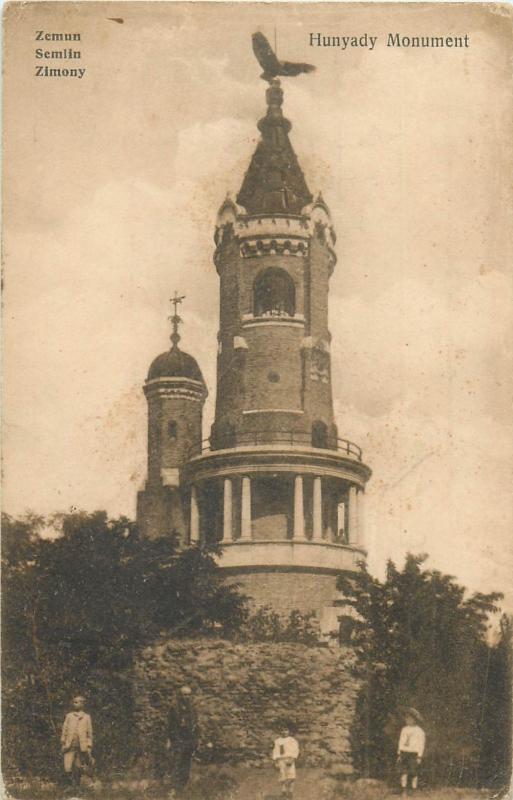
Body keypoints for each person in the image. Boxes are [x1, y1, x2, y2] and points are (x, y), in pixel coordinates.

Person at [166, 686, 198, 796]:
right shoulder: (174, 708)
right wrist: (169, 740)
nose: (187, 697)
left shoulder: (192, 709)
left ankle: (183, 788)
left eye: (189, 695)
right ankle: (173, 789)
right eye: (184, 695)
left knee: (186, 764)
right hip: (178, 739)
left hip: (189, 739)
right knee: (177, 763)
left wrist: (195, 740)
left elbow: (196, 724)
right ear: (180, 695)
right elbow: (170, 725)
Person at [60, 695, 93, 789]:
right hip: (69, 746)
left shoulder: (87, 717)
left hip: (81, 747)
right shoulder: (69, 716)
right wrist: (63, 742)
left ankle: (77, 787)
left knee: (78, 767)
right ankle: (69, 785)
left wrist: (89, 746)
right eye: (74, 702)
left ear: (82, 704)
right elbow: (64, 730)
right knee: (67, 767)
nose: (74, 704)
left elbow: (89, 734)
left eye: (77, 702)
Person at [397, 707, 425, 796]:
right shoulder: (404, 729)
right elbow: (401, 741)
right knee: (403, 772)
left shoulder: (419, 731)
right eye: (406, 718)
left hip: (414, 754)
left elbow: (421, 744)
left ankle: (414, 790)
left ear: (415, 720)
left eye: (410, 718)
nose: (407, 720)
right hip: (404, 753)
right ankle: (404, 790)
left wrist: (419, 756)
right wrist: (399, 753)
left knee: (414, 772)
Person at [272, 724, 300, 800]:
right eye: (282, 730)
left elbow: (296, 750)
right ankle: (283, 791)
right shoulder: (277, 741)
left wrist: (293, 758)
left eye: (286, 730)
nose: (284, 732)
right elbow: (275, 751)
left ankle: (290, 791)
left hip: (289, 759)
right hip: (281, 759)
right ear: (280, 731)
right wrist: (276, 761)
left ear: (289, 731)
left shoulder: (292, 740)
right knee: (282, 775)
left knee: (291, 776)